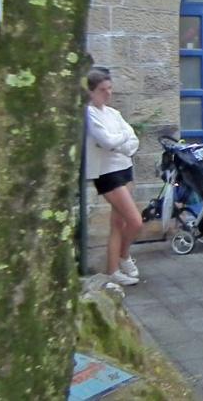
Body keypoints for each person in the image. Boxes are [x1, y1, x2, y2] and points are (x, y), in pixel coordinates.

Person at [86, 70, 144, 287]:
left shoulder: (113, 113)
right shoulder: (90, 114)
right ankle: (124, 256)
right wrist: (120, 141)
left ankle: (112, 271)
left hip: (124, 168)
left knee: (117, 223)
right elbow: (107, 141)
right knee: (135, 221)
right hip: (107, 173)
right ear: (91, 91)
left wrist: (120, 143)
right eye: (102, 90)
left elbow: (132, 140)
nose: (108, 93)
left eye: (110, 88)